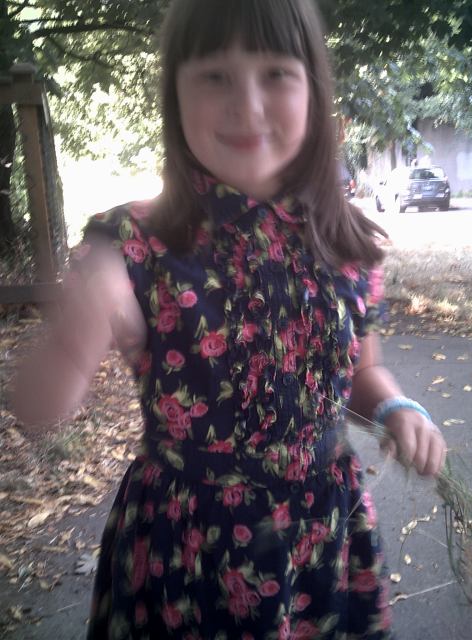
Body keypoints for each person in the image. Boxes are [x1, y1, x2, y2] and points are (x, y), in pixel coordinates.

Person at [13, 1, 447, 638]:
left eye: (275, 74)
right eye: (215, 76)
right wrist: (75, 332)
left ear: (314, 90)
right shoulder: (134, 243)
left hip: (321, 541)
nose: (247, 104)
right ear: (175, 96)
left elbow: (362, 371)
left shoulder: (346, 246)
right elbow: (37, 406)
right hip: (186, 552)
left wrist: (395, 408)